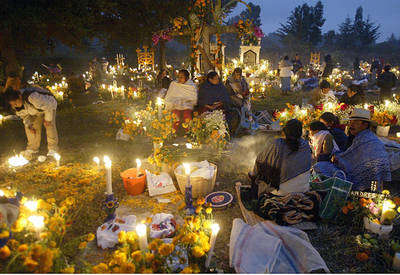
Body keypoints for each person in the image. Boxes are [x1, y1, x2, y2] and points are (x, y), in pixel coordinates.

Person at [318, 109, 391, 191]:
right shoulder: (359, 137)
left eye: (356, 122)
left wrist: (338, 158)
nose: (351, 125)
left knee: (321, 167)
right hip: (362, 174)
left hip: (363, 179)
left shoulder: (367, 140)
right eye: (350, 122)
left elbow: (351, 162)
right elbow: (349, 155)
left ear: (365, 125)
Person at [249, 119, 312, 197]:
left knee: (259, 173)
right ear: (300, 132)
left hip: (281, 192)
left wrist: (253, 175)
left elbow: (260, 161)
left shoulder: (277, 144)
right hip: (303, 189)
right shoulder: (306, 145)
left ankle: (255, 196)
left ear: (285, 131)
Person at [3, 86, 59, 159]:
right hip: (34, 110)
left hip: (49, 105)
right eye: (12, 104)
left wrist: (48, 119)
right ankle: (32, 149)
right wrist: (29, 125)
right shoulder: (15, 105)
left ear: (20, 97)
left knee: (49, 126)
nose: (14, 106)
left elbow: (47, 106)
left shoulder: (33, 97)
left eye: (16, 103)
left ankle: (53, 149)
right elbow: (25, 116)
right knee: (31, 127)